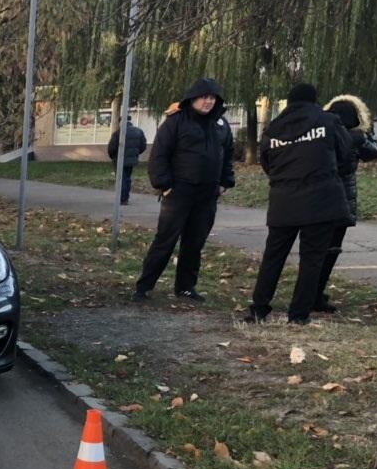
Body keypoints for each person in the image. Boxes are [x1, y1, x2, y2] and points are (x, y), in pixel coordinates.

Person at [245, 84, 354, 325]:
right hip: (321, 201)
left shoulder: (273, 128)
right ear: (314, 100)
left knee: (273, 256)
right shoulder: (328, 121)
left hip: (284, 202)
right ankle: (298, 315)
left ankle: (259, 308)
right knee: (312, 259)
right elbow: (346, 156)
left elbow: (267, 163)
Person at [133, 78, 235, 303]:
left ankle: (186, 287)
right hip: (179, 191)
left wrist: (225, 181)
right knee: (165, 240)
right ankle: (145, 286)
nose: (208, 101)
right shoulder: (176, 121)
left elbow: (227, 154)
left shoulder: (221, 124)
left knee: (195, 242)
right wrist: (164, 185)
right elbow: (159, 154)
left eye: (212, 97)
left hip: (207, 194)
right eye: (204, 97)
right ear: (193, 98)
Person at [314, 95, 377, 312]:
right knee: (332, 248)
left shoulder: (322, 134)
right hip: (343, 198)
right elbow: (374, 153)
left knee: (315, 248)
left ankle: (311, 292)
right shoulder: (355, 138)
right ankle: (316, 293)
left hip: (317, 197)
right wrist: (364, 134)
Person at [106, 114, 147, 204]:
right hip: (132, 160)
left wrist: (113, 156)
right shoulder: (138, 132)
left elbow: (111, 148)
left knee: (121, 179)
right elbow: (143, 146)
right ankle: (126, 198)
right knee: (127, 178)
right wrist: (135, 154)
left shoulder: (118, 133)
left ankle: (122, 199)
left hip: (119, 160)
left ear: (121, 122)